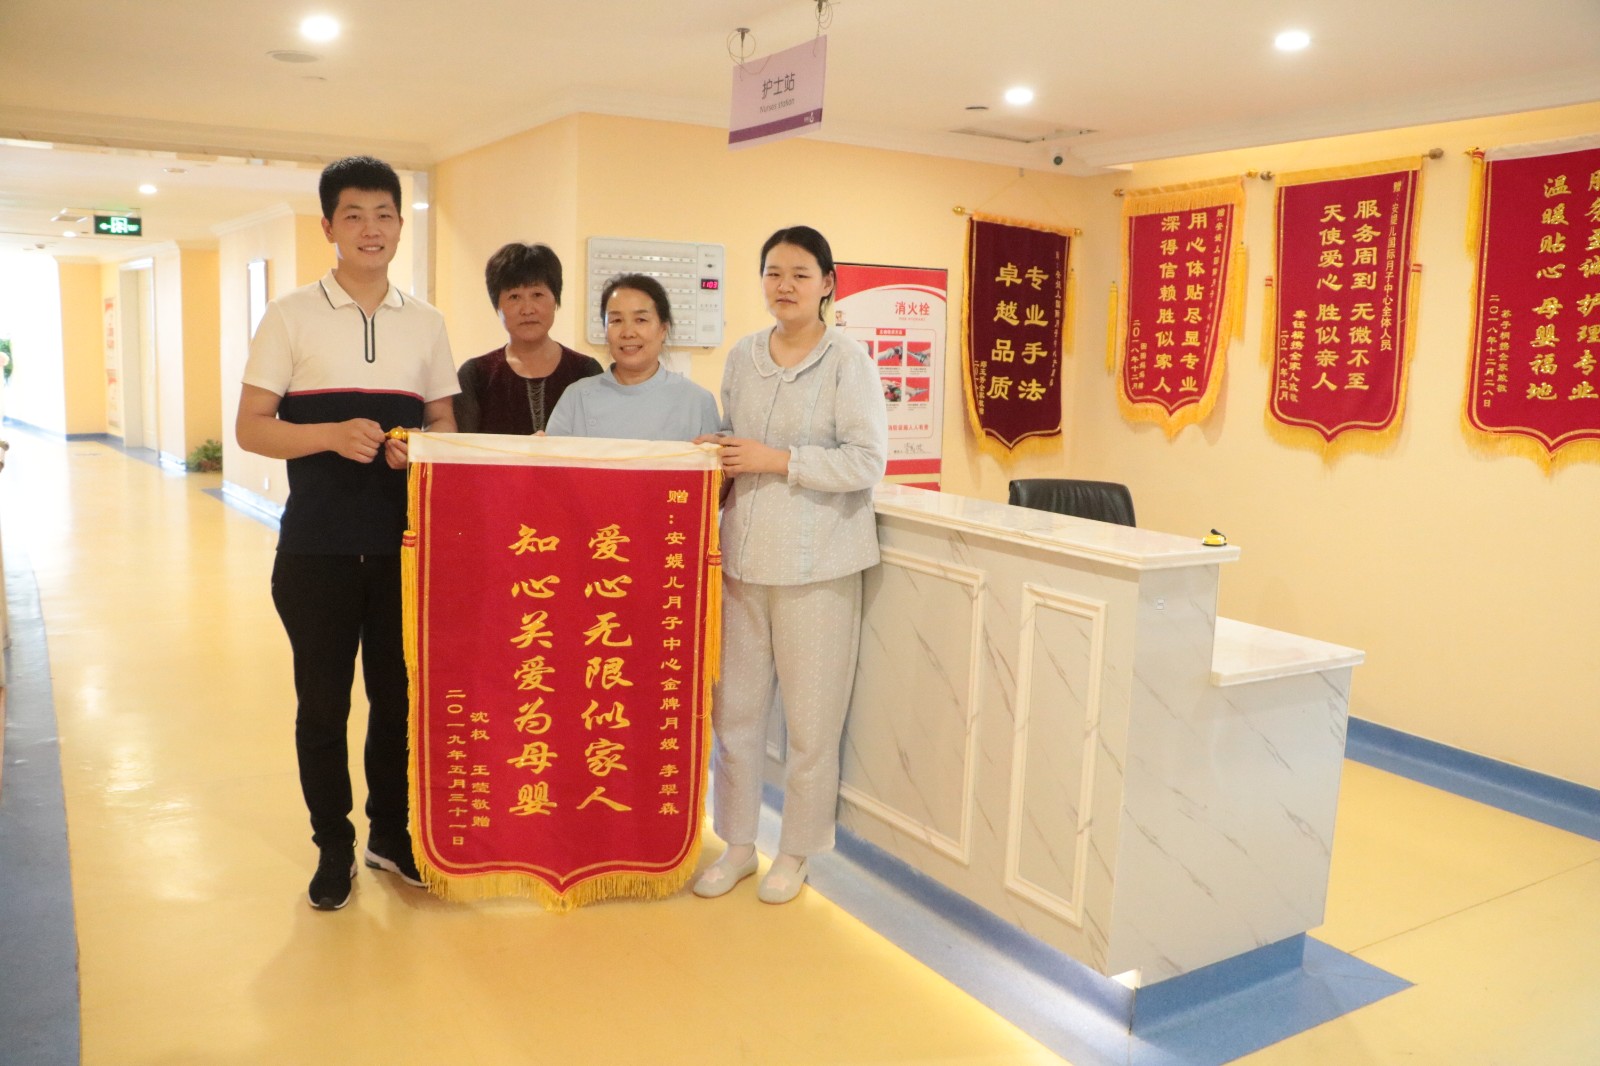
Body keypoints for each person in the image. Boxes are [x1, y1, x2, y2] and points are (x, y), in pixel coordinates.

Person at [236, 156, 459, 911]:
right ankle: (333, 845)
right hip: (315, 551)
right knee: (323, 708)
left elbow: (444, 424)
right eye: (354, 215)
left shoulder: (426, 322)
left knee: (397, 704)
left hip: (404, 555)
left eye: (385, 214)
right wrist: (330, 435)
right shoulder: (290, 315)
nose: (372, 229)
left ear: (400, 224)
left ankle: (389, 835)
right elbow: (251, 428)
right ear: (329, 226)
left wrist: (418, 447)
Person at [691, 226, 888, 904]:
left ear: (827, 284)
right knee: (735, 717)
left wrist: (777, 460)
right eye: (774, 272)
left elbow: (866, 462)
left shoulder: (848, 362)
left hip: (820, 568)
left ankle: (796, 852)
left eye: (801, 274)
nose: (785, 285)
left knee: (810, 725)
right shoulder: (743, 356)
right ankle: (738, 845)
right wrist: (715, 451)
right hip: (743, 562)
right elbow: (736, 442)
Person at [544, 273, 720, 440]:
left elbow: (713, 460)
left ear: (663, 330)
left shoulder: (697, 401)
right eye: (616, 321)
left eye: (641, 320)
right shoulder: (576, 397)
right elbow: (552, 459)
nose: (628, 333)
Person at [453, 242, 602, 435]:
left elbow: (599, 444)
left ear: (555, 300)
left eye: (537, 294)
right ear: (497, 306)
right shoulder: (475, 375)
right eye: (514, 297)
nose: (527, 309)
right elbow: (462, 448)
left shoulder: (586, 371)